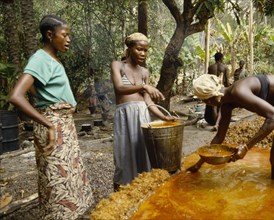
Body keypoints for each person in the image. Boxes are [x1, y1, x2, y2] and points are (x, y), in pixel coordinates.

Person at [9, 15, 94, 219]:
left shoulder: (52, 59)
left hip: (63, 124)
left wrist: (40, 98)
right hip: (54, 125)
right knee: (57, 181)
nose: (68, 39)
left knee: (69, 179)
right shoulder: (40, 59)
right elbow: (15, 95)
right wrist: (48, 123)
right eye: (64, 35)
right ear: (49, 35)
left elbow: (35, 90)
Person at [192, 74, 274, 199]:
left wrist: (246, 146)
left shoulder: (238, 91)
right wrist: (199, 164)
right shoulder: (226, 105)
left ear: (208, 101)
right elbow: (219, 138)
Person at [111, 32, 175, 191]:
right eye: (139, 49)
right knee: (123, 157)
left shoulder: (145, 72)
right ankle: (119, 198)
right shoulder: (118, 65)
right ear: (130, 48)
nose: (143, 53)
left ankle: (142, 193)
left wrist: (164, 116)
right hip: (125, 116)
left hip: (143, 116)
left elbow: (148, 101)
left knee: (144, 155)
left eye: (146, 50)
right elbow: (119, 88)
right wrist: (144, 86)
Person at [205, 52, 230, 131]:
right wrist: (229, 89)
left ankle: (215, 123)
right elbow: (227, 81)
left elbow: (208, 78)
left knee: (214, 106)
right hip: (221, 87)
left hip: (212, 87)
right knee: (221, 106)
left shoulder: (210, 67)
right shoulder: (225, 67)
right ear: (221, 58)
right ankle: (217, 124)